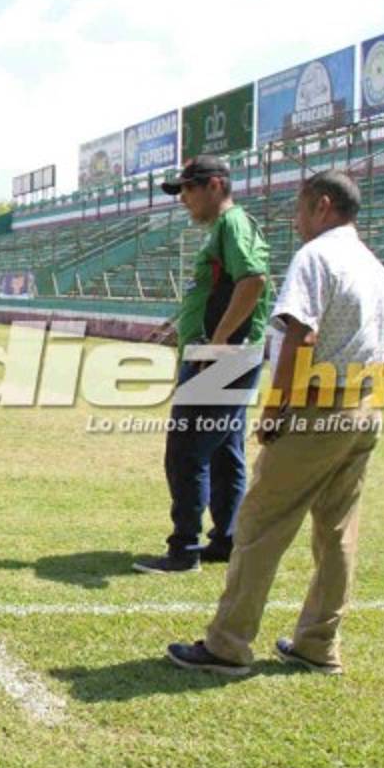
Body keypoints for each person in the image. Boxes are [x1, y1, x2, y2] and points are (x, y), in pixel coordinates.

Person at [167, 170, 384, 676]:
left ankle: (227, 645)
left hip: (317, 408)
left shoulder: (317, 257)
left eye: (299, 207)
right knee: (337, 533)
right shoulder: (375, 267)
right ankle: (318, 643)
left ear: (323, 205)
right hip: (364, 407)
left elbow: (301, 337)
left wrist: (276, 409)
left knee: (259, 523)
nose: (294, 220)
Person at [133, 156, 273, 574]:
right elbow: (228, 288)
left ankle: (184, 549)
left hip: (223, 358)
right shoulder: (225, 228)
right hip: (228, 355)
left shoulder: (233, 224)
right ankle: (225, 541)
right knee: (226, 452)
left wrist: (216, 341)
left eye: (188, 190)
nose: (183, 200)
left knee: (186, 452)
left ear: (215, 185)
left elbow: (253, 280)